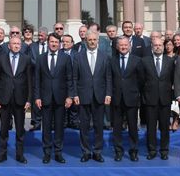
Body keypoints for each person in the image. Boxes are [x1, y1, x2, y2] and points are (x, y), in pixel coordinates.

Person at [34, 32, 74, 164]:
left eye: (56, 42)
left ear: (60, 44)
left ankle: (58, 153)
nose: (54, 44)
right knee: (46, 127)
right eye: (52, 42)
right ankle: (46, 153)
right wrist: (37, 97)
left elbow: (69, 79)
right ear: (48, 42)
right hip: (45, 98)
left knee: (58, 127)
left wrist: (69, 96)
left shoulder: (66, 58)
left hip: (61, 98)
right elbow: (37, 79)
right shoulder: (40, 58)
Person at [73, 29, 112, 163]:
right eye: (89, 40)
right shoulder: (78, 57)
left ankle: (97, 152)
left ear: (98, 41)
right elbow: (74, 78)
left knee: (98, 126)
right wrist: (75, 95)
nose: (92, 42)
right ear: (86, 41)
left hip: (100, 96)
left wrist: (108, 93)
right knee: (83, 126)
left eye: (94, 40)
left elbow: (108, 77)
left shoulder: (105, 57)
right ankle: (85, 152)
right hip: (83, 96)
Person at [0, 36, 32, 164]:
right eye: (14, 43)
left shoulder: (26, 59)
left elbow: (29, 81)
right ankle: (2, 155)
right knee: (3, 129)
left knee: (20, 129)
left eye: (18, 44)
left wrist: (29, 100)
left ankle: (20, 155)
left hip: (20, 99)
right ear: (9, 45)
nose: (16, 45)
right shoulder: (1, 58)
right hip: (4, 98)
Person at [141, 37, 175, 160]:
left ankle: (164, 150)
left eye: (160, 45)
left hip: (165, 100)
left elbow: (172, 79)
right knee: (151, 127)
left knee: (165, 127)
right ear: (152, 47)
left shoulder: (170, 61)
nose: (158, 47)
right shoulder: (144, 61)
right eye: (155, 45)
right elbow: (141, 80)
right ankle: (152, 150)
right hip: (150, 99)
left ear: (163, 46)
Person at [110, 36, 143, 162]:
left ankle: (133, 151)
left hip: (132, 98)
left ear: (129, 46)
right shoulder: (112, 60)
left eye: (125, 45)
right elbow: (110, 79)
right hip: (117, 99)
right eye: (121, 45)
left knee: (133, 127)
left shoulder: (137, 60)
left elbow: (141, 80)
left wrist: (134, 92)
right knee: (117, 128)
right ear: (118, 47)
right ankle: (118, 151)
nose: (123, 47)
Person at [29, 27, 48, 130]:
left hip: (48, 77)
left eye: (42, 35)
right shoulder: (32, 46)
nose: (40, 37)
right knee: (35, 100)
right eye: (39, 35)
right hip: (35, 76)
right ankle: (36, 122)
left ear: (46, 36)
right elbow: (30, 59)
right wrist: (40, 65)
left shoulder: (51, 46)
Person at [61, 34, 79, 129]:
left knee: (74, 104)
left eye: (67, 42)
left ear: (72, 43)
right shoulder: (59, 53)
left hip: (75, 81)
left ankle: (74, 122)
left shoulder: (77, 54)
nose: (65, 43)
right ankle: (63, 122)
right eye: (63, 41)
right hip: (62, 83)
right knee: (63, 103)